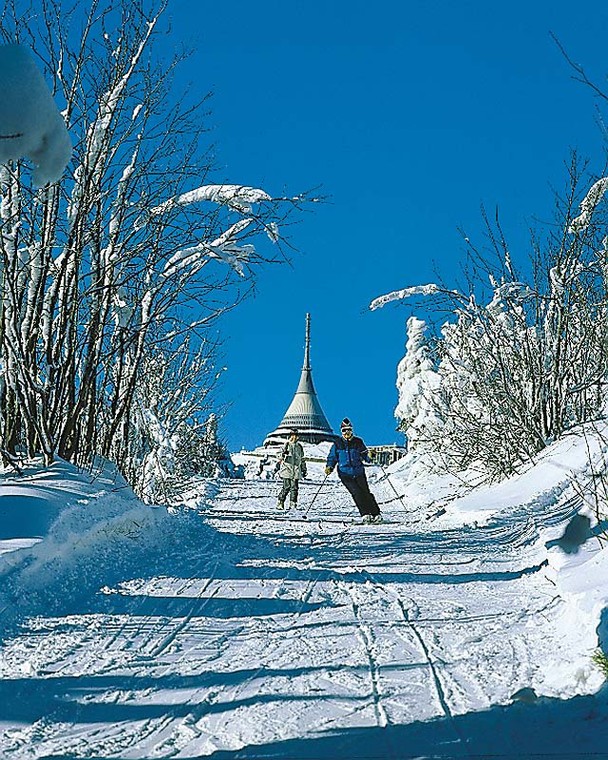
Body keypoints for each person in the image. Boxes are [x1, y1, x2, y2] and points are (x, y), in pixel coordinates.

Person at [325, 418, 383, 524]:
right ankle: (365, 514)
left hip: (358, 472)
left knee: (366, 492)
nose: (346, 432)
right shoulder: (337, 443)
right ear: (341, 431)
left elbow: (365, 456)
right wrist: (329, 466)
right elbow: (332, 457)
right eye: (344, 430)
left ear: (352, 430)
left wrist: (370, 455)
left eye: (348, 430)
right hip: (345, 473)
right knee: (356, 492)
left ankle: (376, 514)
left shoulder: (358, 442)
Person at [277, 429, 307, 509]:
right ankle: (281, 501)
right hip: (287, 469)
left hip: (296, 470)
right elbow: (279, 455)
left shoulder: (299, 447)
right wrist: (283, 454)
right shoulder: (286, 444)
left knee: (294, 488)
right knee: (286, 487)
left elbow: (302, 459)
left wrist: (304, 469)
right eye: (293, 435)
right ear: (291, 436)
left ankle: (293, 503)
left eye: (296, 435)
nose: (295, 437)